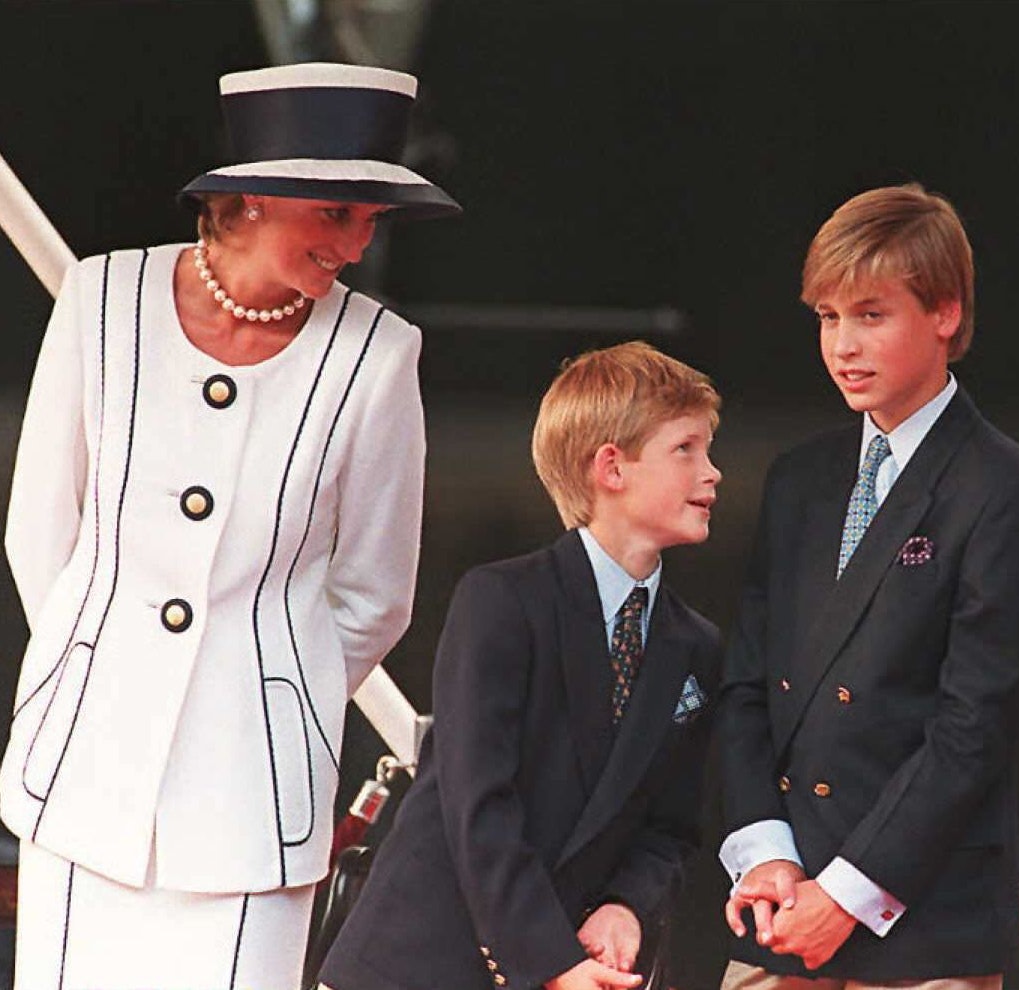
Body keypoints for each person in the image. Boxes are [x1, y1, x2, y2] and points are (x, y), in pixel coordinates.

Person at [0, 62, 458, 989]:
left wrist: (266, 701)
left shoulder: (379, 354)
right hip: (84, 776)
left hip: (252, 802)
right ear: (250, 196)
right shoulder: (101, 301)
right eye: (338, 213)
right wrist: (100, 669)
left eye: (371, 218)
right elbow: (40, 531)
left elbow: (375, 594)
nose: (358, 244)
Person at [716, 183, 1019, 989]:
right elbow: (745, 687)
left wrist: (845, 893)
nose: (843, 344)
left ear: (944, 313)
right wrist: (764, 852)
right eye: (827, 318)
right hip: (780, 904)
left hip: (922, 919)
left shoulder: (1009, 489)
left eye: (871, 315)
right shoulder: (798, 478)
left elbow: (973, 724)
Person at [317, 341, 724, 990]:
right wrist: (550, 961)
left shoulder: (696, 644)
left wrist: (625, 906)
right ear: (611, 468)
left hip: (576, 963)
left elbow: (670, 827)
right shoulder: (503, 601)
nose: (712, 473)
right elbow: (479, 803)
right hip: (422, 964)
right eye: (686, 449)